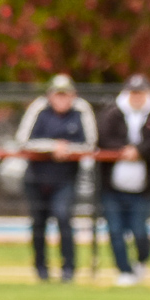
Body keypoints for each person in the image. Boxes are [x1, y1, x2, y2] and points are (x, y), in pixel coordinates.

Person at [15, 74, 95, 282]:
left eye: (65, 95)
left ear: (73, 95)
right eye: (57, 95)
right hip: (37, 177)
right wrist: (53, 147)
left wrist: (68, 149)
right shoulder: (38, 108)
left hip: (65, 178)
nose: (61, 100)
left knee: (63, 218)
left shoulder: (81, 110)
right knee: (38, 223)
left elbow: (90, 144)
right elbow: (22, 140)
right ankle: (41, 269)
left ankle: (68, 269)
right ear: (49, 95)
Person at [95, 75, 150, 286]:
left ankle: (142, 259)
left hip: (143, 187)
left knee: (139, 231)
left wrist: (139, 151)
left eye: (140, 92)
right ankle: (123, 270)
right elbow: (102, 138)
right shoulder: (112, 114)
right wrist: (122, 150)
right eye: (133, 93)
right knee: (115, 230)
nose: (136, 97)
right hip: (112, 184)